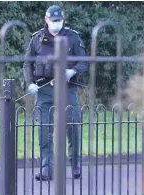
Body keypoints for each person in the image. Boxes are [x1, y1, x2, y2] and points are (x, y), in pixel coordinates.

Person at [22, 5, 88, 181]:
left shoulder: (72, 38)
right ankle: (46, 169)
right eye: (54, 21)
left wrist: (71, 72)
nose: (57, 24)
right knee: (44, 130)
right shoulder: (37, 39)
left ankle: (75, 165)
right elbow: (27, 64)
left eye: (59, 21)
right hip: (44, 90)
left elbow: (84, 61)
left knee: (73, 126)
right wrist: (30, 84)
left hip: (68, 89)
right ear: (46, 20)